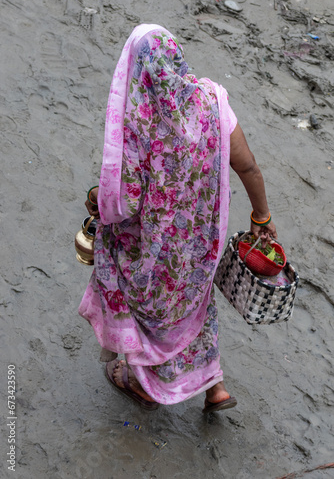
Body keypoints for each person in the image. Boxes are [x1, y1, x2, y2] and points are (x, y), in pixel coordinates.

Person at [79, 24, 277, 413]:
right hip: (198, 246)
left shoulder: (140, 122)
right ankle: (214, 388)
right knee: (195, 307)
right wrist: (261, 215)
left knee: (123, 274)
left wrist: (96, 202)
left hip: (154, 252)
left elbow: (124, 202)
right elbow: (248, 166)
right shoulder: (213, 103)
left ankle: (139, 381)